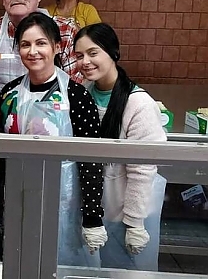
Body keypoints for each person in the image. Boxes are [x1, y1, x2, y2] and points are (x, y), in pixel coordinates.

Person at [0, 12, 106, 263]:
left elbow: (91, 161)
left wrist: (92, 216)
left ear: (56, 47)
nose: (33, 51)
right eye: (25, 44)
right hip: (17, 199)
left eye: (41, 43)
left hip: (64, 203)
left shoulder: (76, 97)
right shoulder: (9, 95)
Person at [75, 23, 166, 271]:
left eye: (93, 53)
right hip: (91, 211)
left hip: (125, 214)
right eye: (79, 55)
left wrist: (134, 223)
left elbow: (142, 169)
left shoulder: (139, 104)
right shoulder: (82, 94)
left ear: (113, 52)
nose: (85, 62)